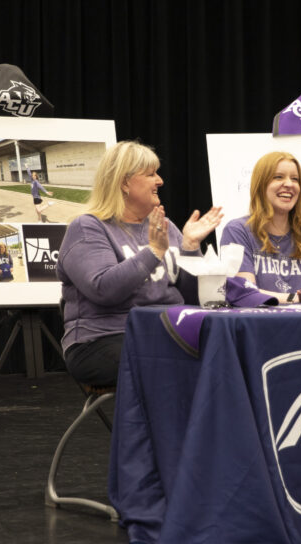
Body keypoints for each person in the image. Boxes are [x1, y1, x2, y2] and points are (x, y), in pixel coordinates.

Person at [57, 141, 222, 386]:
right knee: (174, 365)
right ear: (124, 182)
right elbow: (103, 289)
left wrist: (189, 248)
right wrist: (153, 252)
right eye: (151, 174)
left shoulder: (165, 227)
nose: (160, 181)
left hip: (168, 331)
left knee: (228, 354)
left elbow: (194, 298)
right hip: (103, 340)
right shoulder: (88, 227)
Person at [220, 152, 301, 303]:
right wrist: (296, 298)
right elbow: (245, 293)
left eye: (295, 179)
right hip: (258, 323)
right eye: (278, 177)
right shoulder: (237, 231)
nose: (289, 184)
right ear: (261, 184)